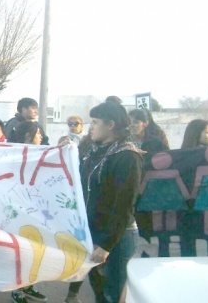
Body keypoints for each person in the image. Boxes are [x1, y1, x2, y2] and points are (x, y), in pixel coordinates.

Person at [81, 101, 142, 303]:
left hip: (117, 236)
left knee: (113, 295)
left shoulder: (127, 156)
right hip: (95, 233)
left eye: (95, 122)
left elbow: (124, 205)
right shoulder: (95, 151)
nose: (91, 127)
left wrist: (107, 245)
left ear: (110, 125)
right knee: (99, 292)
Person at [7, 121, 49, 303]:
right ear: (28, 137)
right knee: (22, 252)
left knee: (36, 251)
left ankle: (28, 286)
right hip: (17, 211)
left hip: (37, 211)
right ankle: (17, 290)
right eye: (38, 133)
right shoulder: (14, 154)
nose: (41, 137)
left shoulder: (43, 154)